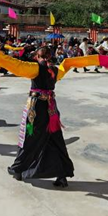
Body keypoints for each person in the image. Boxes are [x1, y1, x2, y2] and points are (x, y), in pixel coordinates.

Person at [8, 46, 74, 187]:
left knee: (30, 137)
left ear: (37, 57)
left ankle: (18, 169)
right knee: (55, 139)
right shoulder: (55, 69)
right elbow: (68, 65)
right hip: (51, 109)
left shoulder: (35, 68)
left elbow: (15, 65)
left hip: (36, 108)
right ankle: (62, 175)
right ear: (50, 56)